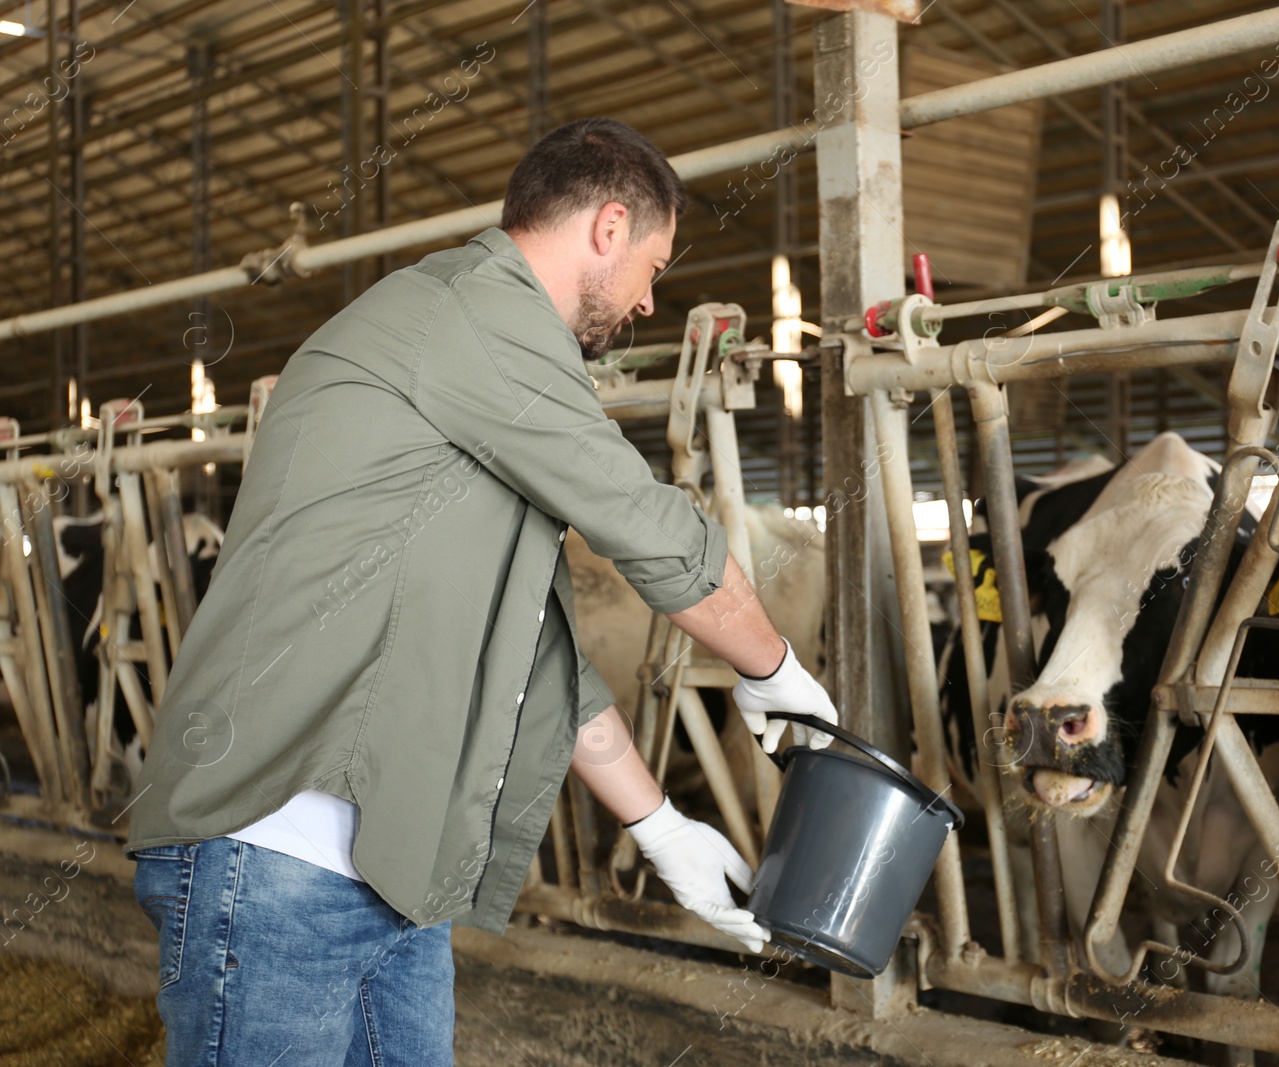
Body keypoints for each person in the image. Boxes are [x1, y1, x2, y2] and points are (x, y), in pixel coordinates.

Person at [125, 118, 838, 1066]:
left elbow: (539, 656)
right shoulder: (471, 313)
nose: (648, 303)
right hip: (273, 857)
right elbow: (647, 523)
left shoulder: (485, 372)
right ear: (609, 226)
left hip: (390, 872)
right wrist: (772, 665)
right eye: (656, 268)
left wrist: (660, 825)